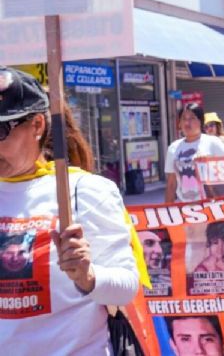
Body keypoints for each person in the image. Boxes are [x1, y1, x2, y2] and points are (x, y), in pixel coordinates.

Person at [0, 67, 139, 354]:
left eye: (0, 131)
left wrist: (88, 277)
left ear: (37, 125)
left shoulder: (84, 191)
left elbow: (127, 287)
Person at [165, 103, 224, 203]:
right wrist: (167, 212)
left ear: (201, 122)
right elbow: (171, 184)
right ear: (179, 123)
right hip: (186, 210)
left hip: (213, 208)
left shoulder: (214, 143)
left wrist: (209, 164)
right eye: (184, 119)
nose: (187, 122)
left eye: (192, 118)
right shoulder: (173, 148)